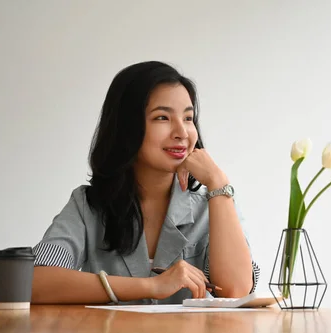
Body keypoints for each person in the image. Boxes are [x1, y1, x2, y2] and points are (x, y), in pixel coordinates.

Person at [30, 61, 260, 305]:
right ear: (126, 127)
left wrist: (218, 182)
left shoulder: (212, 203)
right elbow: (34, 281)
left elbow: (237, 292)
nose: (182, 132)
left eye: (188, 118)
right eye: (162, 117)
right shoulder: (88, 205)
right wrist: (151, 286)